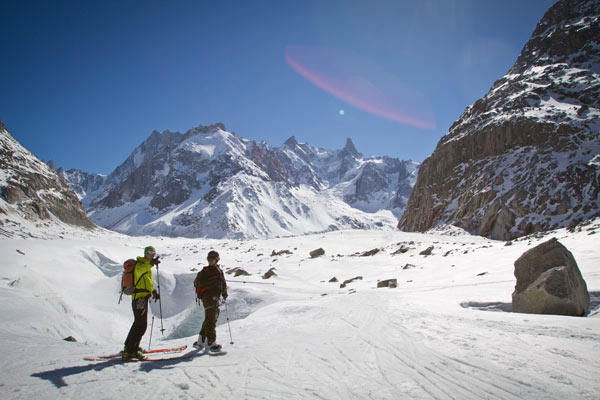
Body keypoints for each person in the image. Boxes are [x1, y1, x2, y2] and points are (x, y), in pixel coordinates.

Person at [123, 245, 160, 359]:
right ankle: (131, 351)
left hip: (142, 297)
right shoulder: (140, 265)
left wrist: (152, 291)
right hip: (139, 299)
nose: (152, 254)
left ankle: (129, 346)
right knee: (141, 325)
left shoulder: (144, 265)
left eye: (153, 252)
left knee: (137, 323)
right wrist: (151, 263)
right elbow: (141, 270)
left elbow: (146, 282)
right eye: (150, 252)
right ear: (145, 253)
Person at [193, 250, 228, 352]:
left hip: (215, 298)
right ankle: (211, 343)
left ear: (217, 260)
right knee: (211, 320)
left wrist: (224, 293)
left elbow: (223, 283)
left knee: (210, 319)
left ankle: (201, 341)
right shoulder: (205, 271)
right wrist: (213, 281)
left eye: (213, 258)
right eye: (209, 258)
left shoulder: (219, 271)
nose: (211, 260)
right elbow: (201, 284)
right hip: (208, 298)